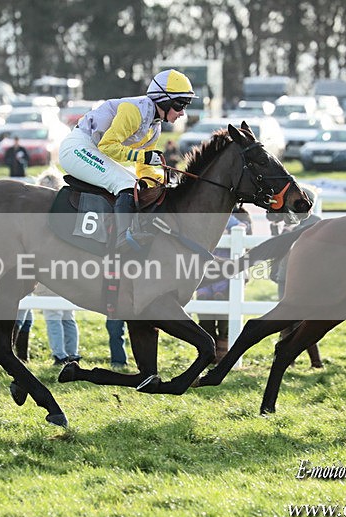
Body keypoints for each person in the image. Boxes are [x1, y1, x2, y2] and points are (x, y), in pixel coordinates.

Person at [59, 69, 195, 252]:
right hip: (77, 148)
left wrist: (160, 181)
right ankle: (122, 239)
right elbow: (107, 146)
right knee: (126, 183)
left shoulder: (154, 128)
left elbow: (143, 168)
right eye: (180, 105)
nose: (182, 113)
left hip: (93, 149)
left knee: (138, 185)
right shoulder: (134, 111)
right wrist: (142, 156)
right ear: (165, 100)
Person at [268, 186, 323, 368]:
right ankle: (287, 361)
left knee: (301, 320)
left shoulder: (316, 222)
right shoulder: (287, 221)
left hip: (305, 279)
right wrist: (277, 231)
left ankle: (315, 361)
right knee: (284, 320)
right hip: (285, 275)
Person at [34, 171, 81, 365]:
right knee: (66, 315)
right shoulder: (68, 212)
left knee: (56, 315)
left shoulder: (40, 215)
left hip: (52, 269)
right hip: (67, 269)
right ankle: (71, 353)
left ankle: (61, 355)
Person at [196, 207, 252, 362]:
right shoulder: (203, 213)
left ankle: (223, 348)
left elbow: (245, 231)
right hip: (206, 267)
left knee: (224, 306)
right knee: (203, 303)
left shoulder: (240, 214)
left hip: (228, 270)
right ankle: (208, 348)